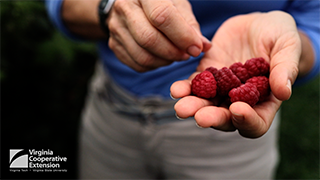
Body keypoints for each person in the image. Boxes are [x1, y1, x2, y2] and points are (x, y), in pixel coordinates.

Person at [45, 0, 320, 179]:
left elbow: (314, 22)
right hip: (112, 109)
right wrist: (107, 8)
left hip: (231, 136)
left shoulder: (232, 87)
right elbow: (60, 5)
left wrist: (292, 47)